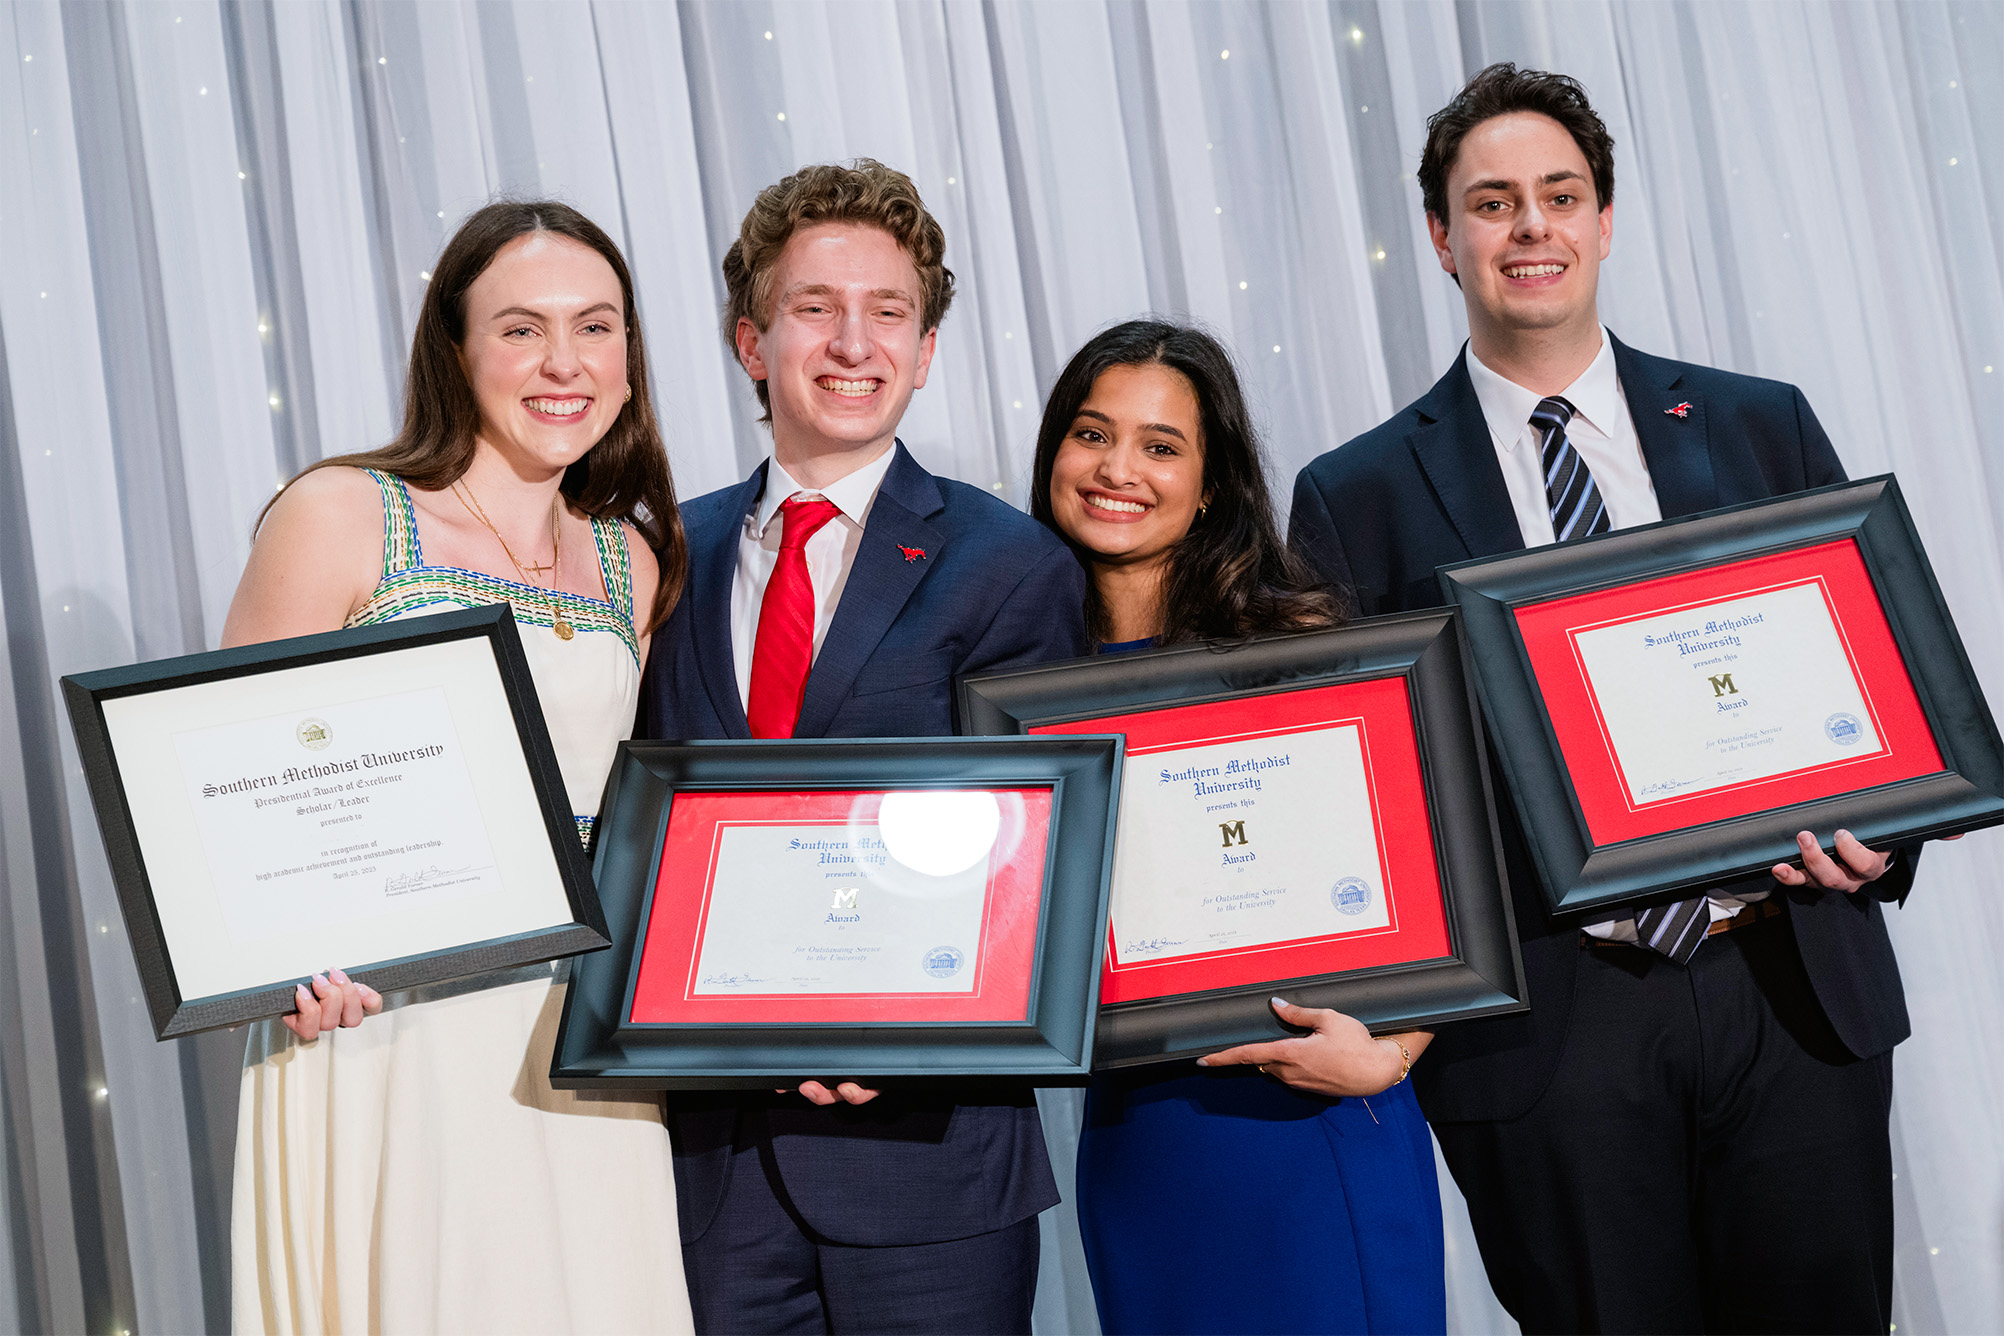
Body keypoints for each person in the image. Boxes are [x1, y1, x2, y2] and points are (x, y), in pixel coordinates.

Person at [1289, 64, 1922, 1334]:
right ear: (1441, 236)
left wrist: (1883, 832)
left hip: (1790, 988)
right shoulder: (1355, 494)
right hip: (1549, 1024)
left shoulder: (1756, 423)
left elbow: (1878, 677)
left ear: (1605, 218)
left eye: (1560, 195)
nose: (1531, 227)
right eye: (1494, 202)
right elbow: (1368, 794)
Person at [222, 200, 694, 1334]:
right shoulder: (341, 512)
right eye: (521, 328)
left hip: (587, 1037)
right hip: (390, 1025)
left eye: (596, 326)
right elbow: (226, 784)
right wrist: (287, 960)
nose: (564, 362)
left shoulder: (632, 556)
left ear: (630, 357)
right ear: (455, 348)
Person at [638, 159, 1088, 1334]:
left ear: (927, 348)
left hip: (928, 1160)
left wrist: (917, 1040)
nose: (853, 342)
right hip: (711, 1172)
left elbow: (1038, 857)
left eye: (889, 312)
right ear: (752, 339)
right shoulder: (652, 560)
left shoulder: (1012, 564)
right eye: (814, 308)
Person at [1030, 319, 1446, 1335]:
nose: (1118, 468)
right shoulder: (1020, 674)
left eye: (1161, 445)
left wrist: (1393, 1053)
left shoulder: (1297, 642)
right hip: (1140, 1137)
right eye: (1092, 434)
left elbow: (1442, 870)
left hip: (1312, 1111)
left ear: (1210, 482)